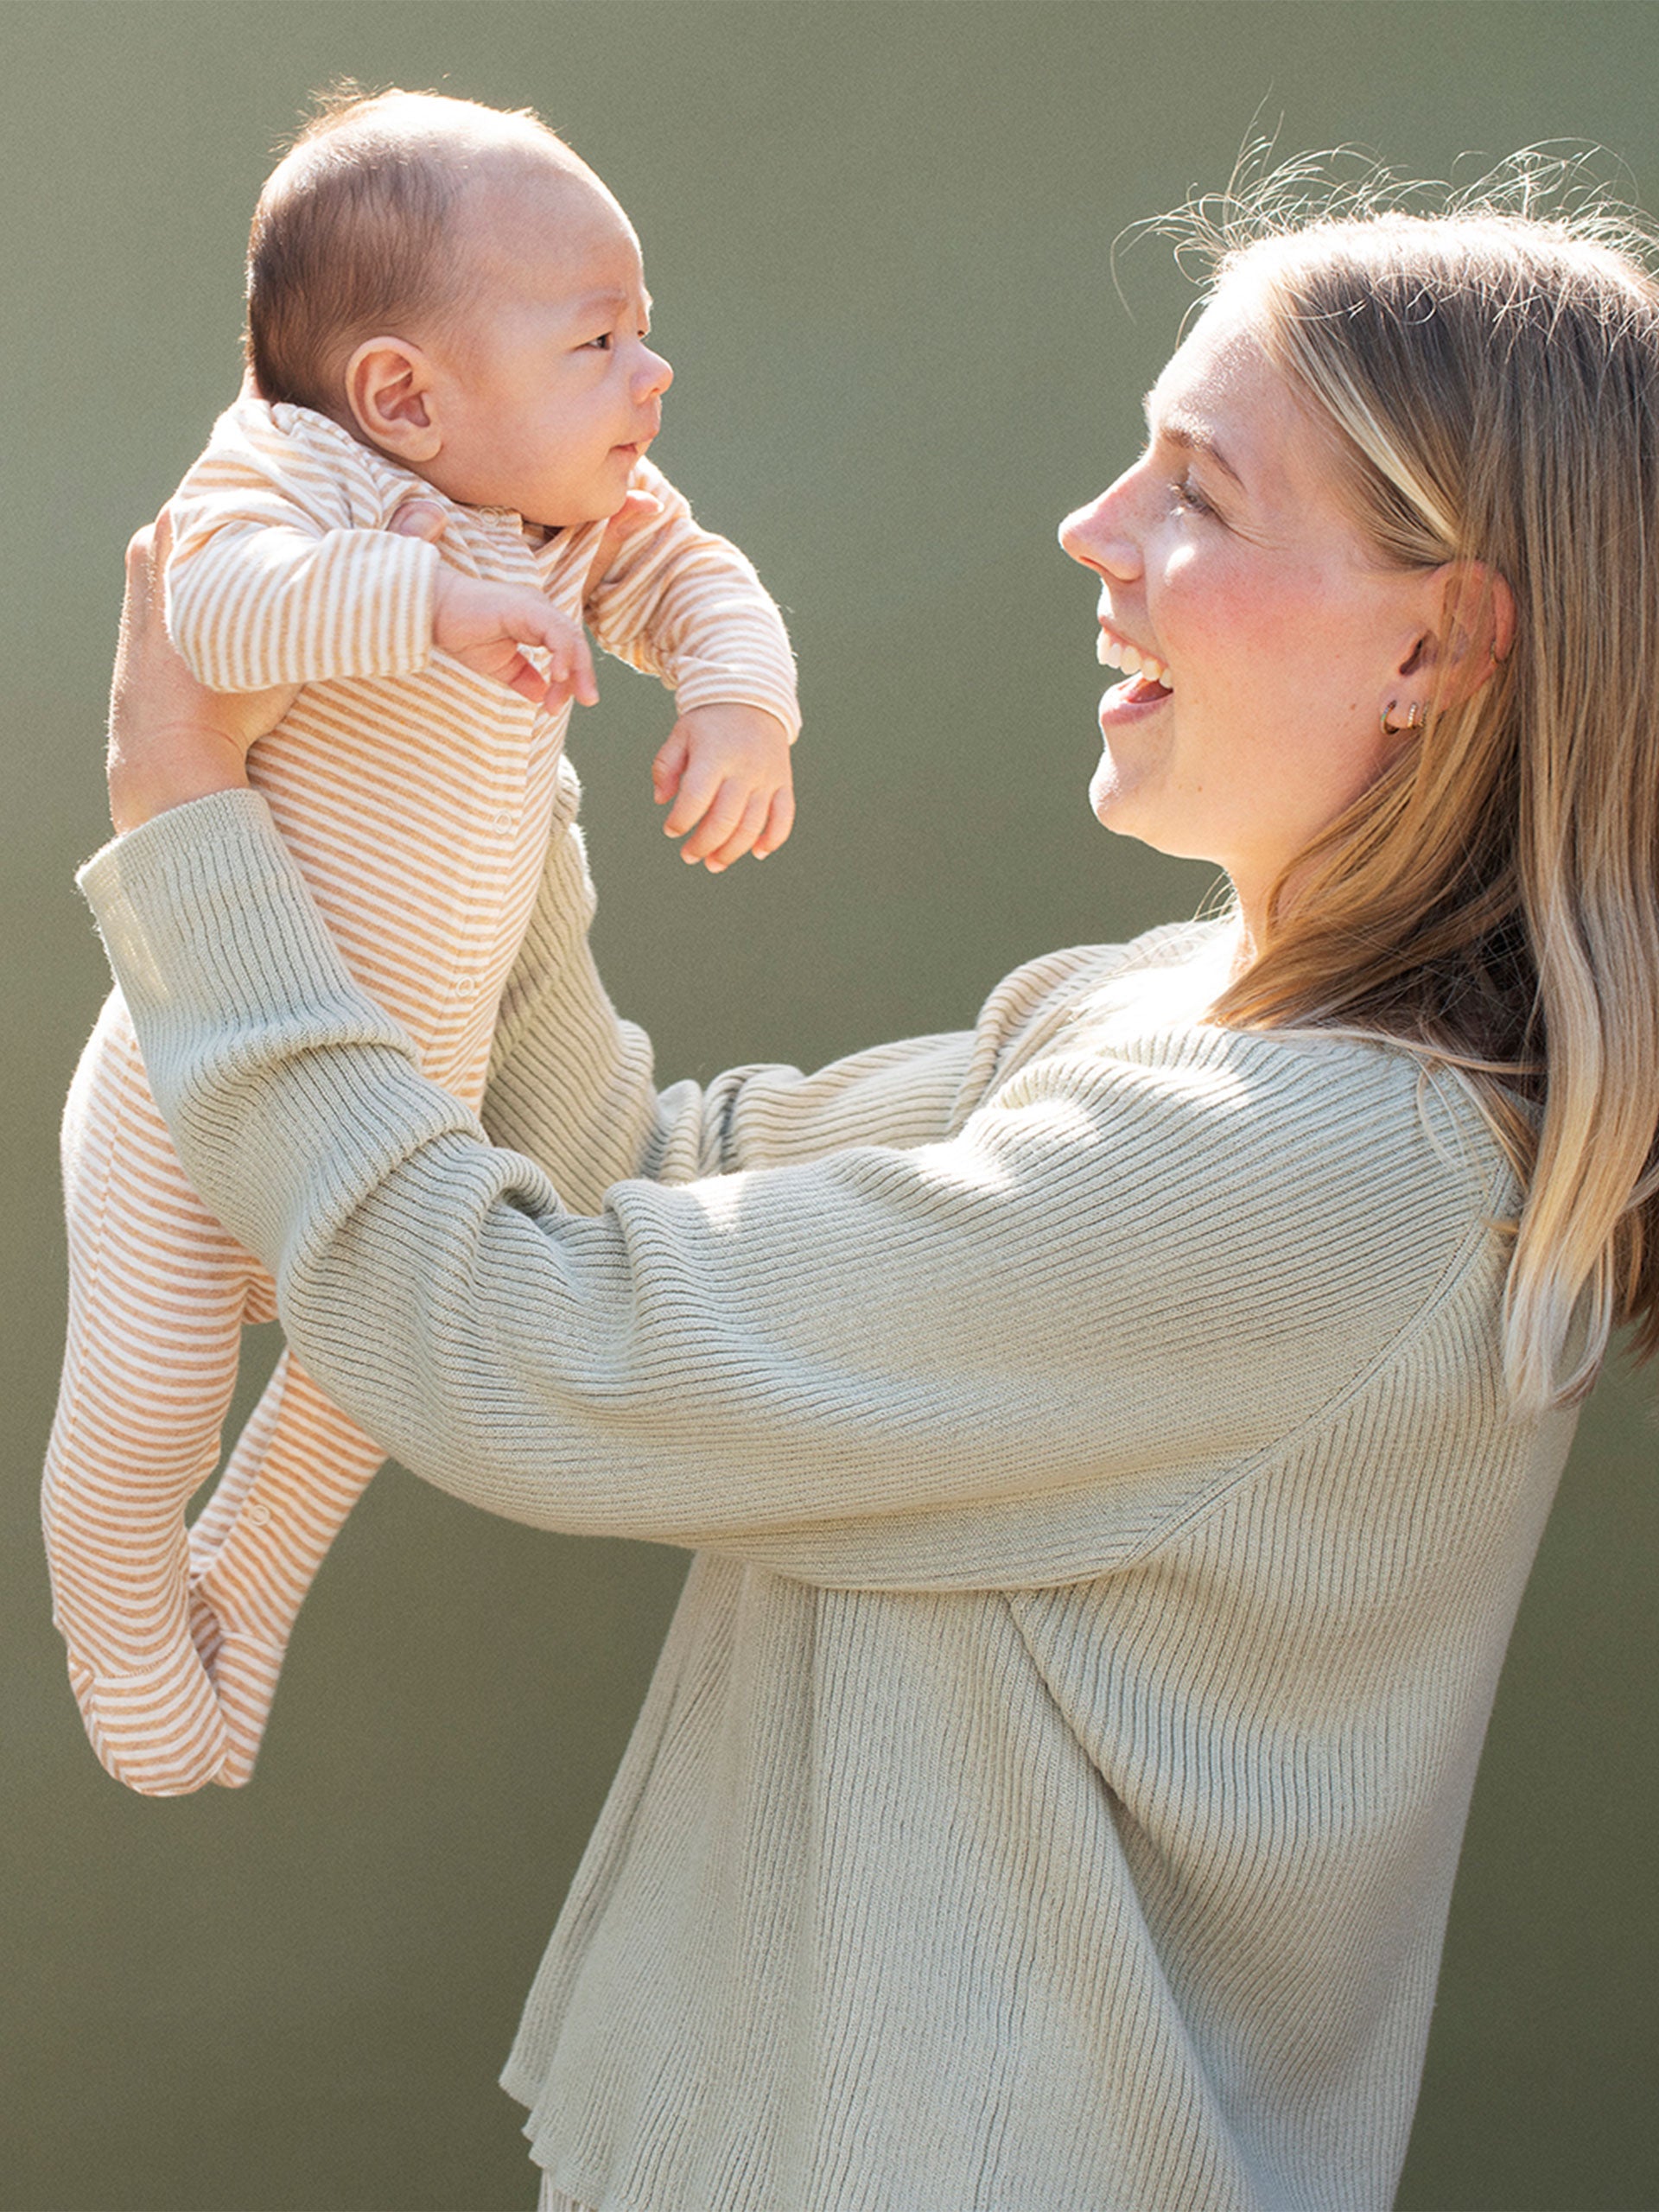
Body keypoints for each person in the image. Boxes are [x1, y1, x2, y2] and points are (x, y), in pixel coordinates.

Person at [75, 175, 1659, 2212]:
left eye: (1198, 490)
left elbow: (523, 1343)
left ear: (1437, 641)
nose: (1095, 528)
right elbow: (636, 1179)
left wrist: (191, 826)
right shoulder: (1182, 1019)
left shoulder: (1304, 1170)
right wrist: (468, 758)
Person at [41, 88, 800, 1799]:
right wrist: (434, 604)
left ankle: (244, 1588)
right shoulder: (291, 471)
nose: (652, 375)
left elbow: (704, 581)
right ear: (401, 396)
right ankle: (130, 1647)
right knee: (150, 1404)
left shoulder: (578, 514)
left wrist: (740, 704)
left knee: (380, 1375)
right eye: (599, 339)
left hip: (407, 1100)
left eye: (645, 330)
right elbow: (210, 606)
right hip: (191, 1083)